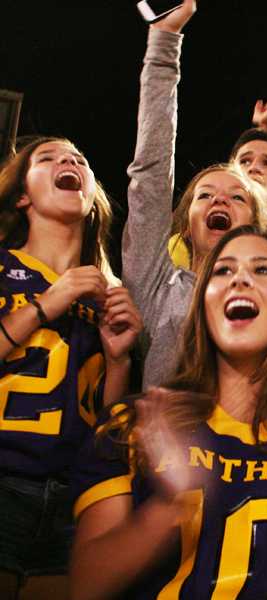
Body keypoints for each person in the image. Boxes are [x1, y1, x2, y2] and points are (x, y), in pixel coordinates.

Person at [69, 227, 267, 599]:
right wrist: (170, 503)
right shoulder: (137, 421)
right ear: (203, 301)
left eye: (263, 270)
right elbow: (86, 587)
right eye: (223, 271)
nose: (240, 280)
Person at [124, 2, 267, 388]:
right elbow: (150, 174)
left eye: (237, 198)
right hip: (169, 446)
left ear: (257, 223)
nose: (219, 201)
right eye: (205, 195)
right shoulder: (157, 285)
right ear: (185, 219)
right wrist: (163, 43)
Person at [0, 138, 141, 599]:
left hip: (72, 499)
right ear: (22, 195)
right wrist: (45, 305)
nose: (70, 161)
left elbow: (108, 426)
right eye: (50, 158)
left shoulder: (108, 294)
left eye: (80, 158)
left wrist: (119, 357)